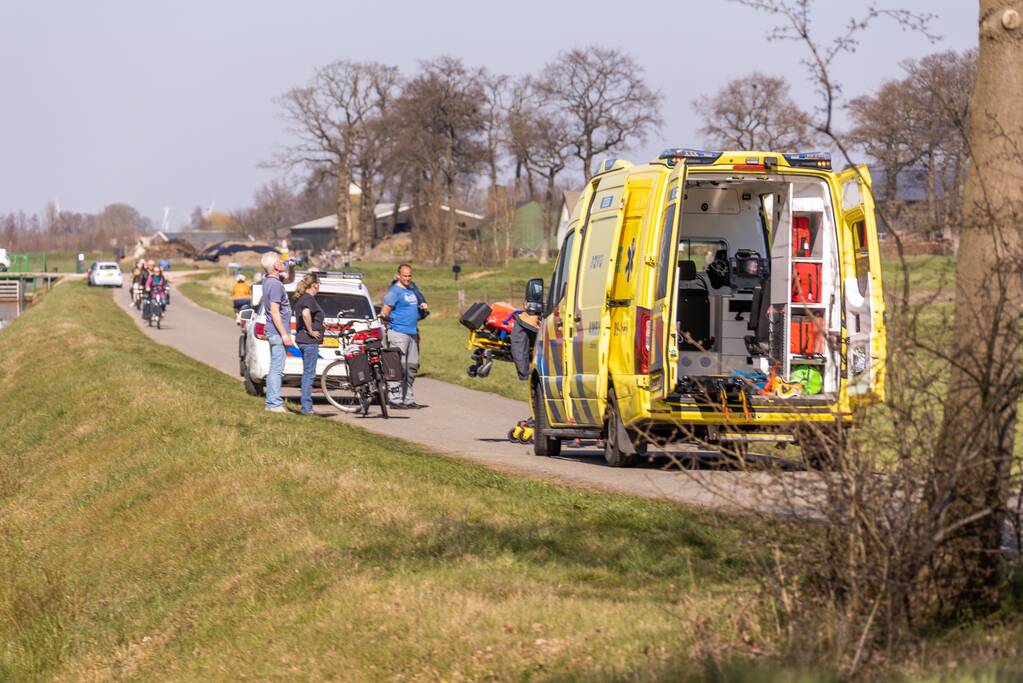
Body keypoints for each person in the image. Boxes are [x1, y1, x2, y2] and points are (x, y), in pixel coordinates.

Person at [380, 263, 425, 409]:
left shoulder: (411, 290)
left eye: (409, 275)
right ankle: (395, 399)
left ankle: (408, 399)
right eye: (404, 275)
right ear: (399, 275)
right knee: (398, 366)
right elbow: (384, 313)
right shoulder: (394, 292)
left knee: (411, 366)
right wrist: (387, 332)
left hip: (412, 333)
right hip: (398, 332)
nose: (407, 278)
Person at [260, 251, 293, 413]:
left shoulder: (270, 280)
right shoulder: (274, 285)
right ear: (275, 266)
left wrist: (291, 267)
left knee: (275, 367)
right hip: (278, 332)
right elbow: (274, 311)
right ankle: (273, 404)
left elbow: (290, 279)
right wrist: (284, 334)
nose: (283, 262)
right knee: (276, 369)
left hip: (275, 332)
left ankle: (272, 402)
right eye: (281, 261)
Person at [292, 273, 323, 416]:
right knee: (309, 374)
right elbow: (305, 314)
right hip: (308, 341)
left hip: (304, 340)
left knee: (307, 373)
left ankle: (306, 406)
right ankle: (306, 408)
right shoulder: (308, 298)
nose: (320, 286)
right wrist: (311, 330)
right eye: (319, 283)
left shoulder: (304, 298)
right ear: (315, 284)